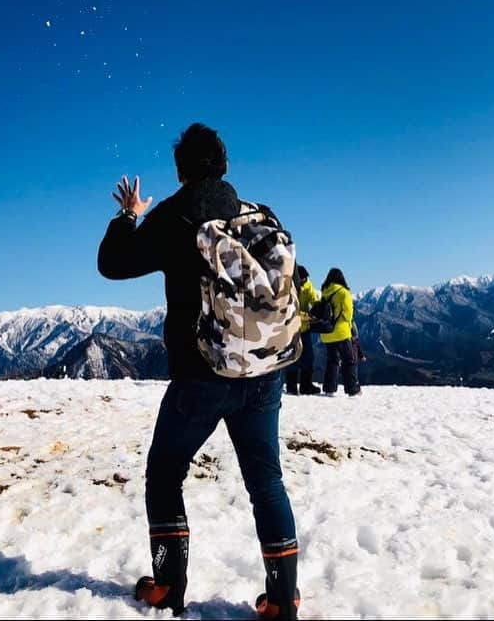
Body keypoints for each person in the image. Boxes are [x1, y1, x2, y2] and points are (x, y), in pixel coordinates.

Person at [97, 123, 300, 620]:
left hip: (201, 376)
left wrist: (128, 216)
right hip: (263, 372)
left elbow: (113, 263)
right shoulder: (259, 215)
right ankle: (282, 599)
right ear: (225, 164)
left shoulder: (175, 215)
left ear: (181, 169)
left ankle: (168, 586)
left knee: (165, 474)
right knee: (265, 480)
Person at [318, 268, 361, 396]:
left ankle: (329, 389)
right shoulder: (344, 293)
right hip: (341, 333)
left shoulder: (325, 292)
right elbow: (348, 314)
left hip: (327, 333)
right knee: (349, 360)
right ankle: (352, 389)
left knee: (332, 360)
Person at [284, 265, 320, 395]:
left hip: (304, 329)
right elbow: (290, 311)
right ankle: (291, 386)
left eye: (306, 279)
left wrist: (319, 307)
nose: (305, 281)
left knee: (308, 358)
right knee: (293, 357)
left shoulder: (308, 286)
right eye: (302, 279)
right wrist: (308, 316)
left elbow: (314, 299)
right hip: (292, 328)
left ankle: (306, 385)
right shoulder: (289, 289)